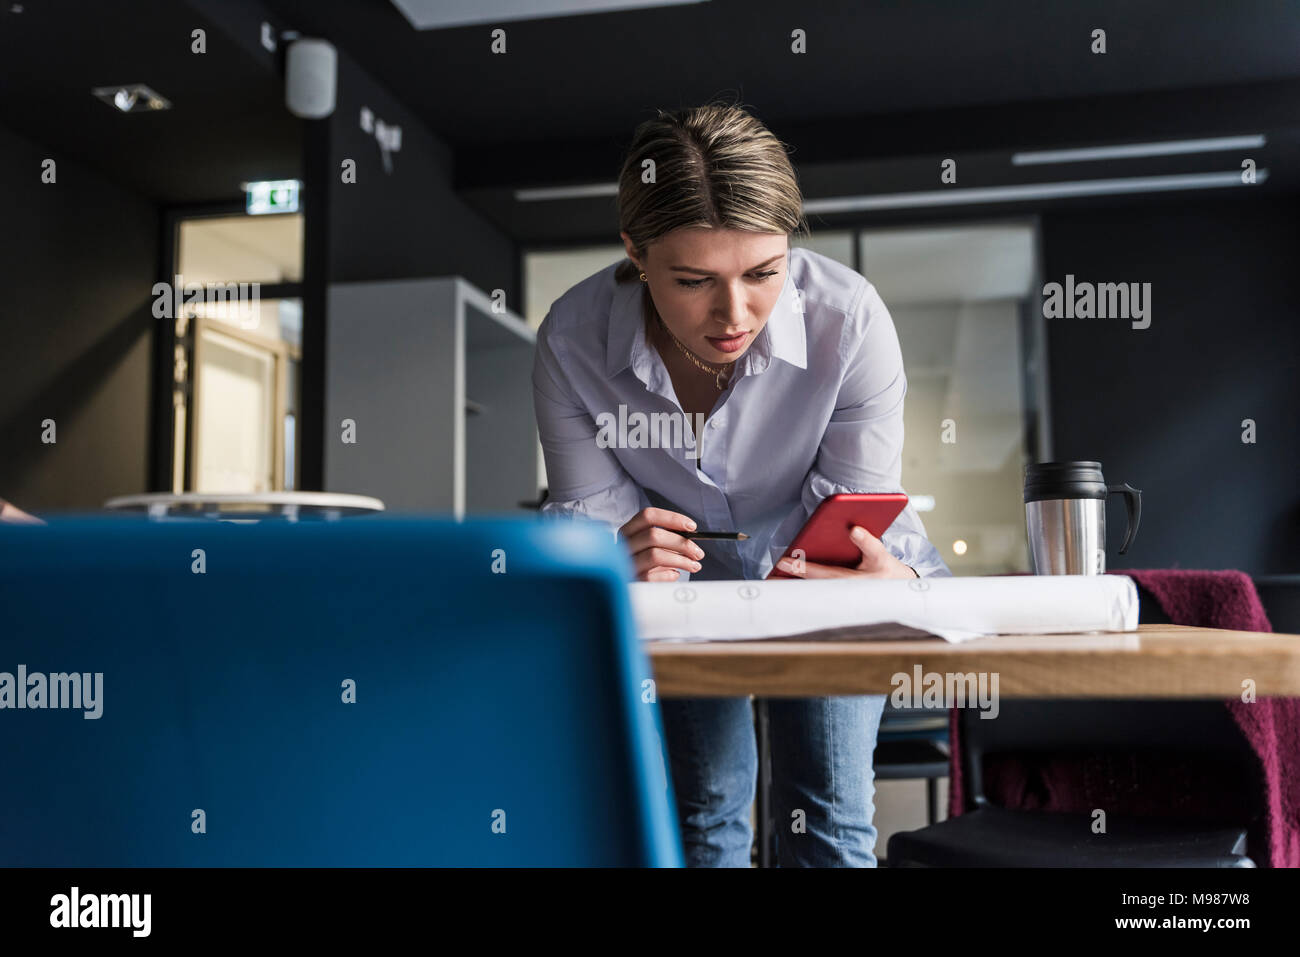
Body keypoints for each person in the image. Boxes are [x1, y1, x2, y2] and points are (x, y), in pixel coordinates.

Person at [531, 101, 951, 867]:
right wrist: (612, 559)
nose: (735, 313)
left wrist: (883, 577)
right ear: (635, 250)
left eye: (764, 273)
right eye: (694, 280)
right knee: (703, 816)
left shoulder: (849, 322)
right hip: (681, 598)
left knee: (828, 815)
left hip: (830, 586)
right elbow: (593, 534)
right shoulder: (572, 338)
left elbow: (846, 523)